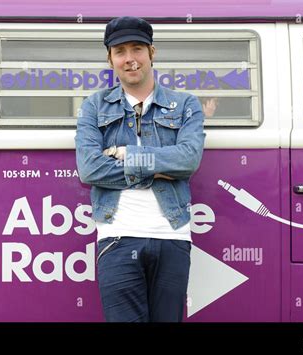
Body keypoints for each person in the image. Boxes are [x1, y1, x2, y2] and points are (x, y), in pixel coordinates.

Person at [75, 16, 205, 322]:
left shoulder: (186, 104)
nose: (130, 59)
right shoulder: (94, 106)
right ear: (110, 59)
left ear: (152, 53)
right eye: (120, 51)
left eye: (137, 49)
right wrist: (159, 167)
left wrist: (127, 155)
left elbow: (187, 160)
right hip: (117, 234)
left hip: (172, 234)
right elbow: (90, 169)